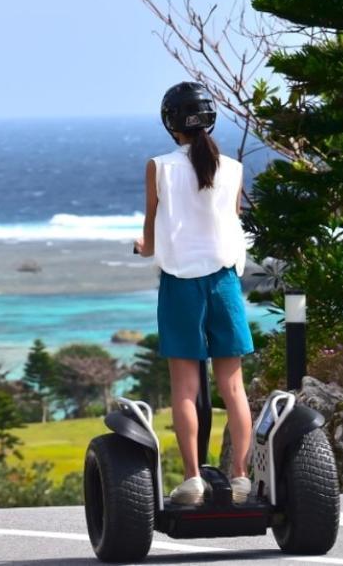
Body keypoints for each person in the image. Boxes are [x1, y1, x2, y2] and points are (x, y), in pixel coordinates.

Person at [133, 82, 254, 506]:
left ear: (170, 123)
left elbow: (152, 227)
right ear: (211, 119)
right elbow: (229, 221)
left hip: (180, 284)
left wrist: (143, 246)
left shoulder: (159, 166)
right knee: (233, 388)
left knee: (185, 389)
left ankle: (192, 479)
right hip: (224, 282)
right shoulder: (233, 168)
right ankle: (241, 478)